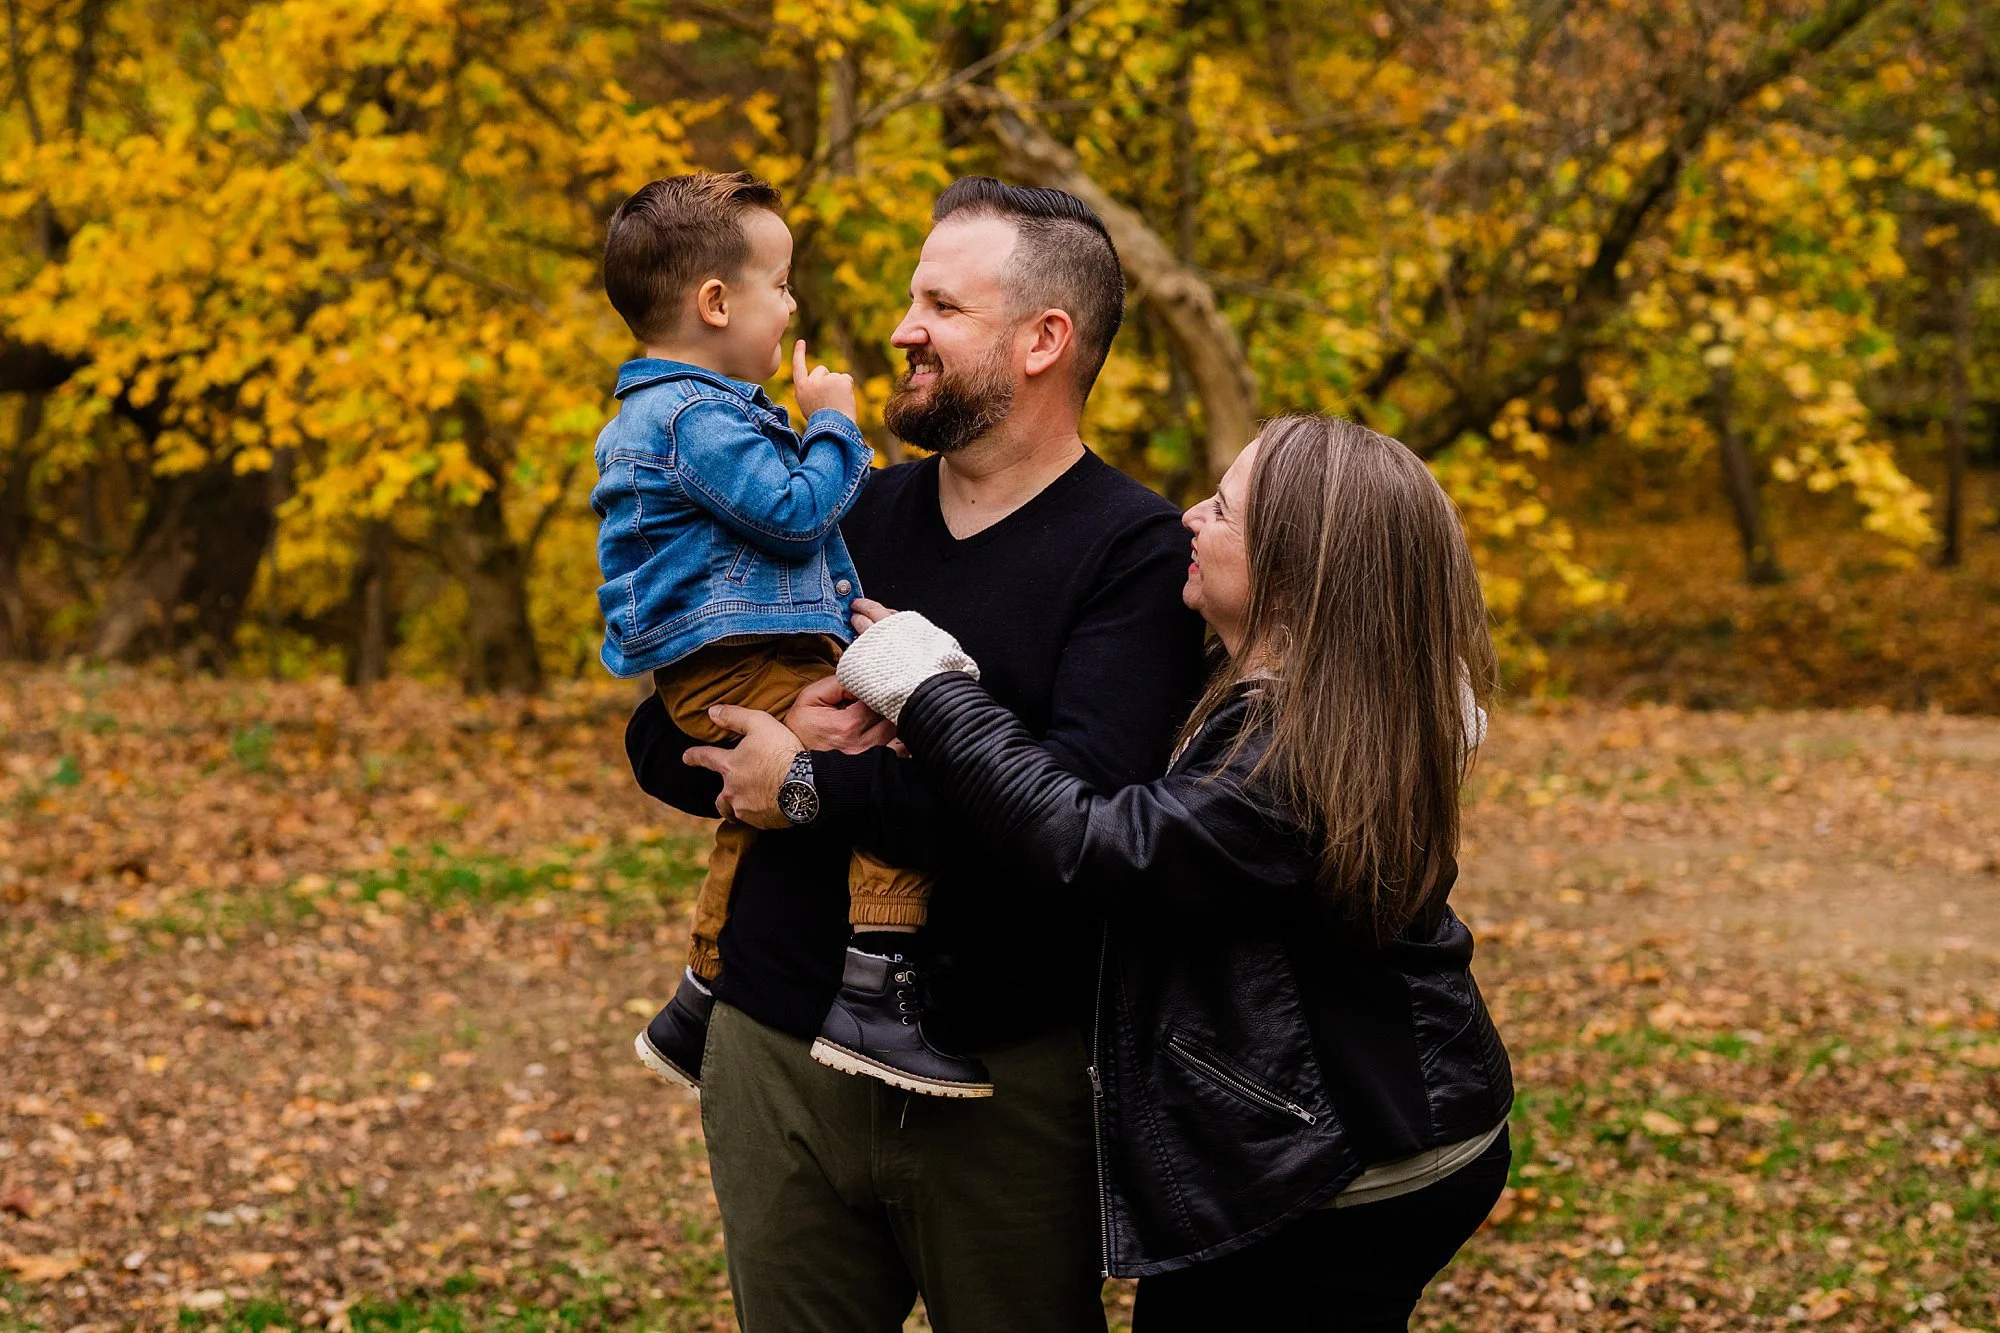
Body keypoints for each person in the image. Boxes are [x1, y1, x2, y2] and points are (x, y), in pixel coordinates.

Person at [706, 415, 1514, 1331]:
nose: (1190, 519)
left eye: (1225, 510)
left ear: (1298, 570)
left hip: (1344, 1161)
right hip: (1344, 1117)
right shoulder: (1327, 689)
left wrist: (929, 688)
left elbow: (1092, 844)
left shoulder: (1293, 760)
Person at [625, 178, 1208, 1330]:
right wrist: (774, 737)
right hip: (772, 1047)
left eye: (939, 304)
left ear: (1044, 340)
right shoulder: (835, 513)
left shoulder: (1133, 556)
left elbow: (1066, 822)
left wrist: (804, 780)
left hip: (1002, 1081)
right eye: (910, 298)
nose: (902, 330)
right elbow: (664, 731)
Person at [591, 171, 994, 1097]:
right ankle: (873, 989)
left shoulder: (677, 413)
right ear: (717, 301)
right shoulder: (695, 415)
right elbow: (794, 515)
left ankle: (699, 994)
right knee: (888, 746)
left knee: (760, 808)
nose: (791, 303)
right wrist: (835, 428)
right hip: (743, 656)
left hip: (736, 655)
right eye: (781, 284)